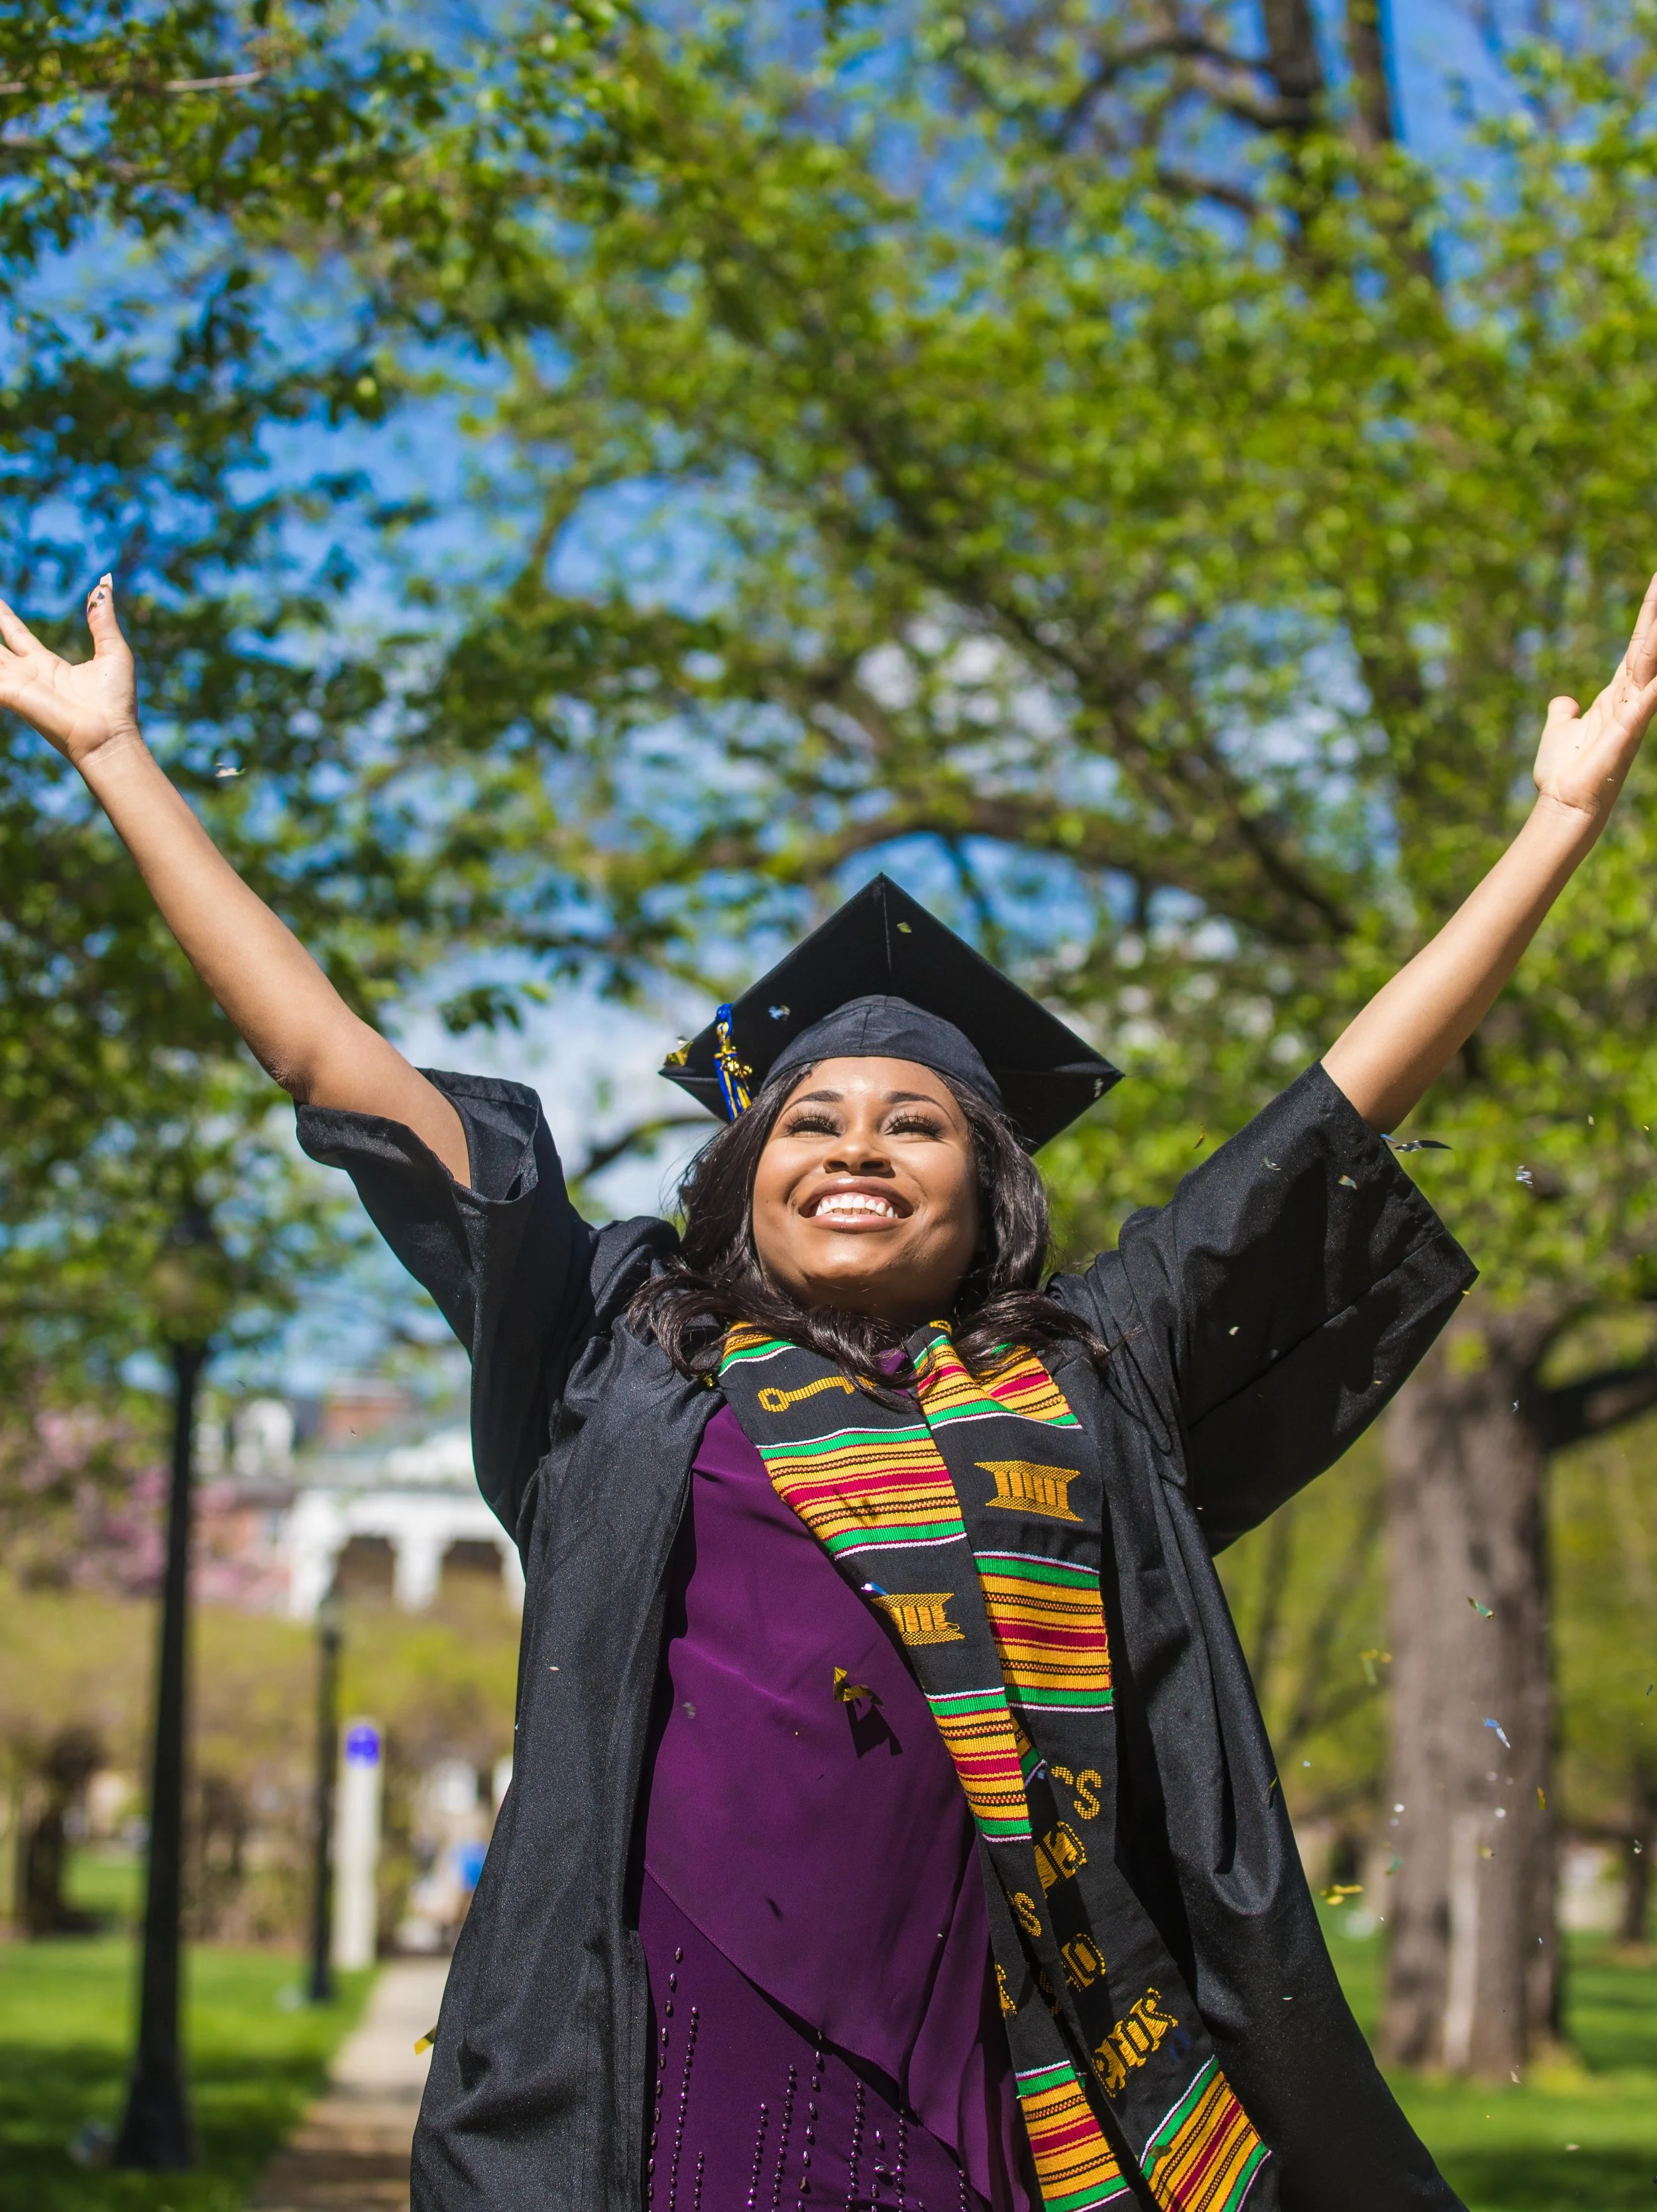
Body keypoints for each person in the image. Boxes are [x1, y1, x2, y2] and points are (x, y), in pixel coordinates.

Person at [5, 571, 1657, 2212]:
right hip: (661, 2060)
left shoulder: (1083, 1371)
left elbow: (1333, 1117)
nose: (856, 1145)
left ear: (983, 1187)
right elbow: (333, 1066)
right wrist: (117, 762)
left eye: (914, 1121)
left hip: (1009, 2040)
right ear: (744, 1174)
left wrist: (1555, 827)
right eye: (810, 1120)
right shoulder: (620, 1346)